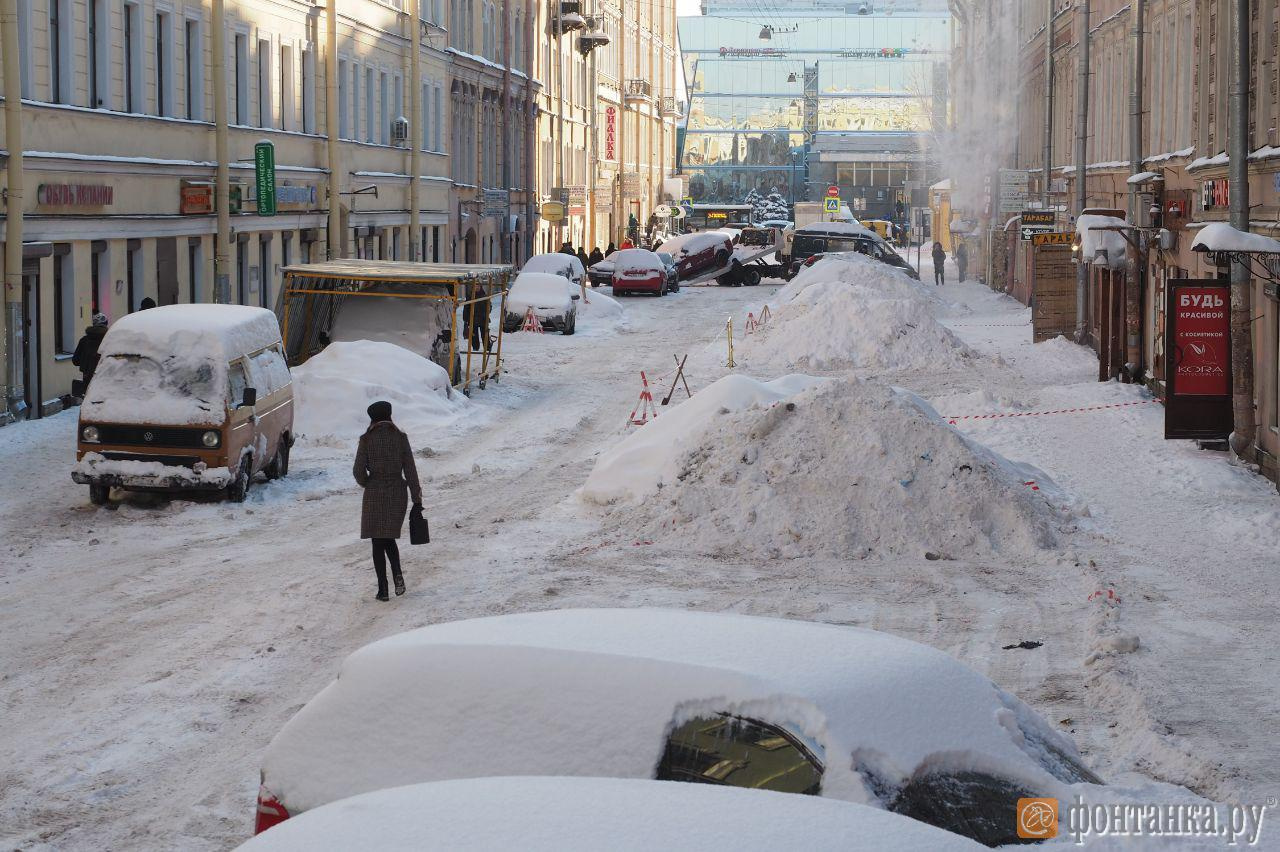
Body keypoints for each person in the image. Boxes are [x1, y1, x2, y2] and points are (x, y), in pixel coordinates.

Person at [353, 401, 423, 602]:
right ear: (390, 415)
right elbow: (410, 470)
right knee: (388, 537)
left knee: (378, 540)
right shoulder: (401, 438)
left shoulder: (366, 439)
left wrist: (368, 483)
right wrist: (416, 498)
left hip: (374, 492)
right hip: (397, 493)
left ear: (372, 418)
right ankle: (398, 574)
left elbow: (358, 471)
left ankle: (383, 589)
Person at [72, 313, 109, 389]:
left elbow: (75, 361)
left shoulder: (84, 340)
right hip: (106, 378)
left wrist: (86, 363)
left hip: (88, 379)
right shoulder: (110, 339)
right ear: (106, 324)